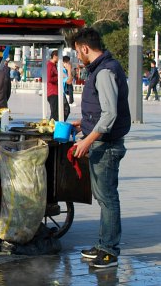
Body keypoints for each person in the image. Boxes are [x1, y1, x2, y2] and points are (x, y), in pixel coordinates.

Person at [71, 27, 130, 268]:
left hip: (106, 146)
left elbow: (110, 115)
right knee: (105, 198)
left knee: (108, 199)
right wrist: (82, 123)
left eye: (77, 52)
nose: (77, 57)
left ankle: (109, 251)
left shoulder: (105, 71)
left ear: (85, 48)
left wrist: (87, 139)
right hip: (102, 142)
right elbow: (102, 110)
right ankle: (104, 244)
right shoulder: (104, 68)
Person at [47, 50, 70, 121]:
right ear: (55, 56)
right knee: (55, 113)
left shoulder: (54, 65)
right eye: (59, 57)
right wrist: (59, 77)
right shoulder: (50, 65)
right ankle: (53, 128)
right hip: (53, 92)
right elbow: (49, 79)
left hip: (57, 91)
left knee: (63, 110)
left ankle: (58, 124)